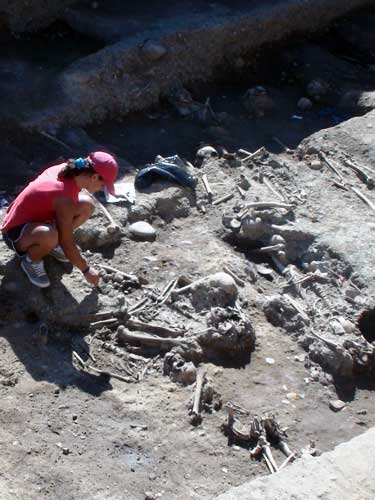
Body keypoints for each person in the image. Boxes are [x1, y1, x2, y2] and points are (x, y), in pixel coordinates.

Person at [1, 151, 119, 288]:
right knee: (50, 235)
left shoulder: (69, 171)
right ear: (93, 177)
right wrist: (86, 270)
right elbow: (66, 243)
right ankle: (31, 260)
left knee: (87, 205)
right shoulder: (64, 195)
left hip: (37, 219)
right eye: (103, 184)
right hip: (16, 232)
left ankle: (50, 243)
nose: (102, 188)